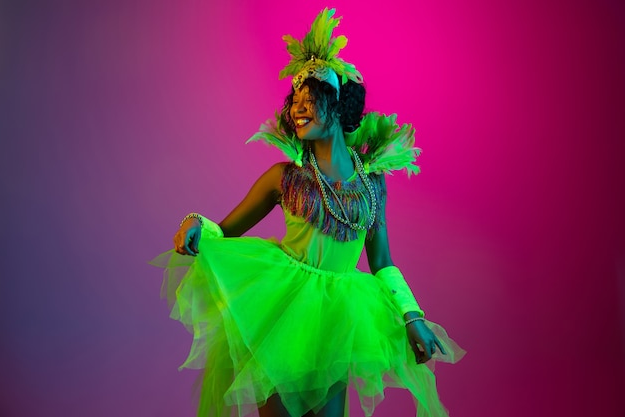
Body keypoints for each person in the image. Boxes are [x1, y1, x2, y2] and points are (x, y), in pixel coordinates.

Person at [152, 8, 464, 417]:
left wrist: (411, 316)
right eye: (294, 101)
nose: (299, 108)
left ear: (336, 106)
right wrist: (195, 222)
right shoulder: (284, 178)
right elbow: (223, 232)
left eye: (310, 99)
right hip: (283, 314)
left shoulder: (372, 184)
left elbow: (382, 261)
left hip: (338, 318)